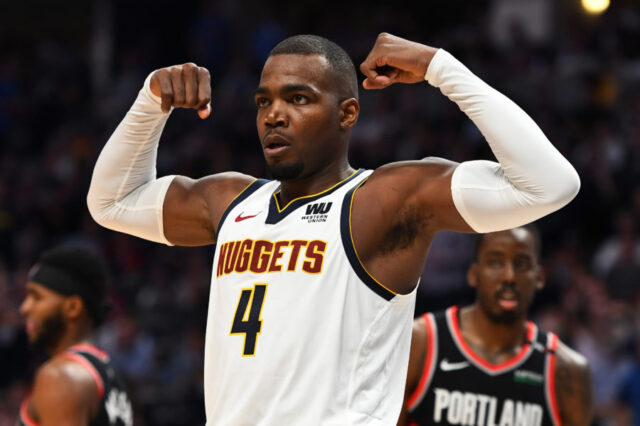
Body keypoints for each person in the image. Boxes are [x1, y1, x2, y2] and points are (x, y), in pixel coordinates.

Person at [87, 33, 580, 424]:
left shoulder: (381, 201)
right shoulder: (231, 201)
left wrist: (439, 67)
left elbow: (549, 185)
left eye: (298, 98)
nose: (274, 114)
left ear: (347, 113)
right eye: (264, 102)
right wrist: (151, 102)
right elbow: (110, 202)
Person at [398, 226, 593, 426]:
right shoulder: (420, 343)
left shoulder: (567, 372)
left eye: (521, 264)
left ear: (539, 277)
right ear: (474, 274)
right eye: (495, 262)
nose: (509, 276)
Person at [17, 246, 133, 426]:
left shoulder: (61, 376)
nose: (24, 308)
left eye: (37, 297)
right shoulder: (108, 373)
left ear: (73, 307)